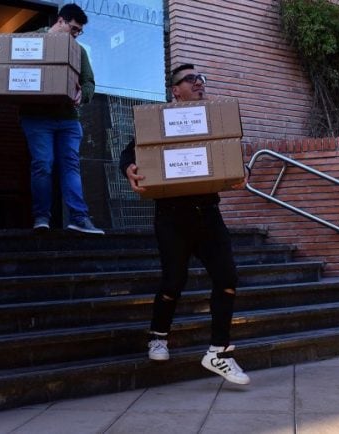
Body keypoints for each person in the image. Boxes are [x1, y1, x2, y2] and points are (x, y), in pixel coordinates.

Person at [118, 64, 250, 385]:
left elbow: (230, 155)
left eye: (202, 79)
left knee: (228, 277)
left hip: (208, 213)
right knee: (174, 279)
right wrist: (130, 169)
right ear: (175, 90)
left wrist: (241, 169)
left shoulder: (213, 122)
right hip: (172, 217)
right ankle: (158, 335)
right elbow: (130, 152)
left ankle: (218, 352)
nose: (199, 83)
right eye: (191, 80)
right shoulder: (160, 123)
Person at [0, 3, 103, 234]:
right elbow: (2, 63)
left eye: (79, 31)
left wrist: (83, 95)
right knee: (43, 165)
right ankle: (41, 217)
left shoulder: (79, 51)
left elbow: (89, 83)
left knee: (71, 166)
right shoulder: (27, 41)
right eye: (74, 29)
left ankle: (79, 217)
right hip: (36, 118)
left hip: (68, 119)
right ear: (60, 21)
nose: (76, 35)